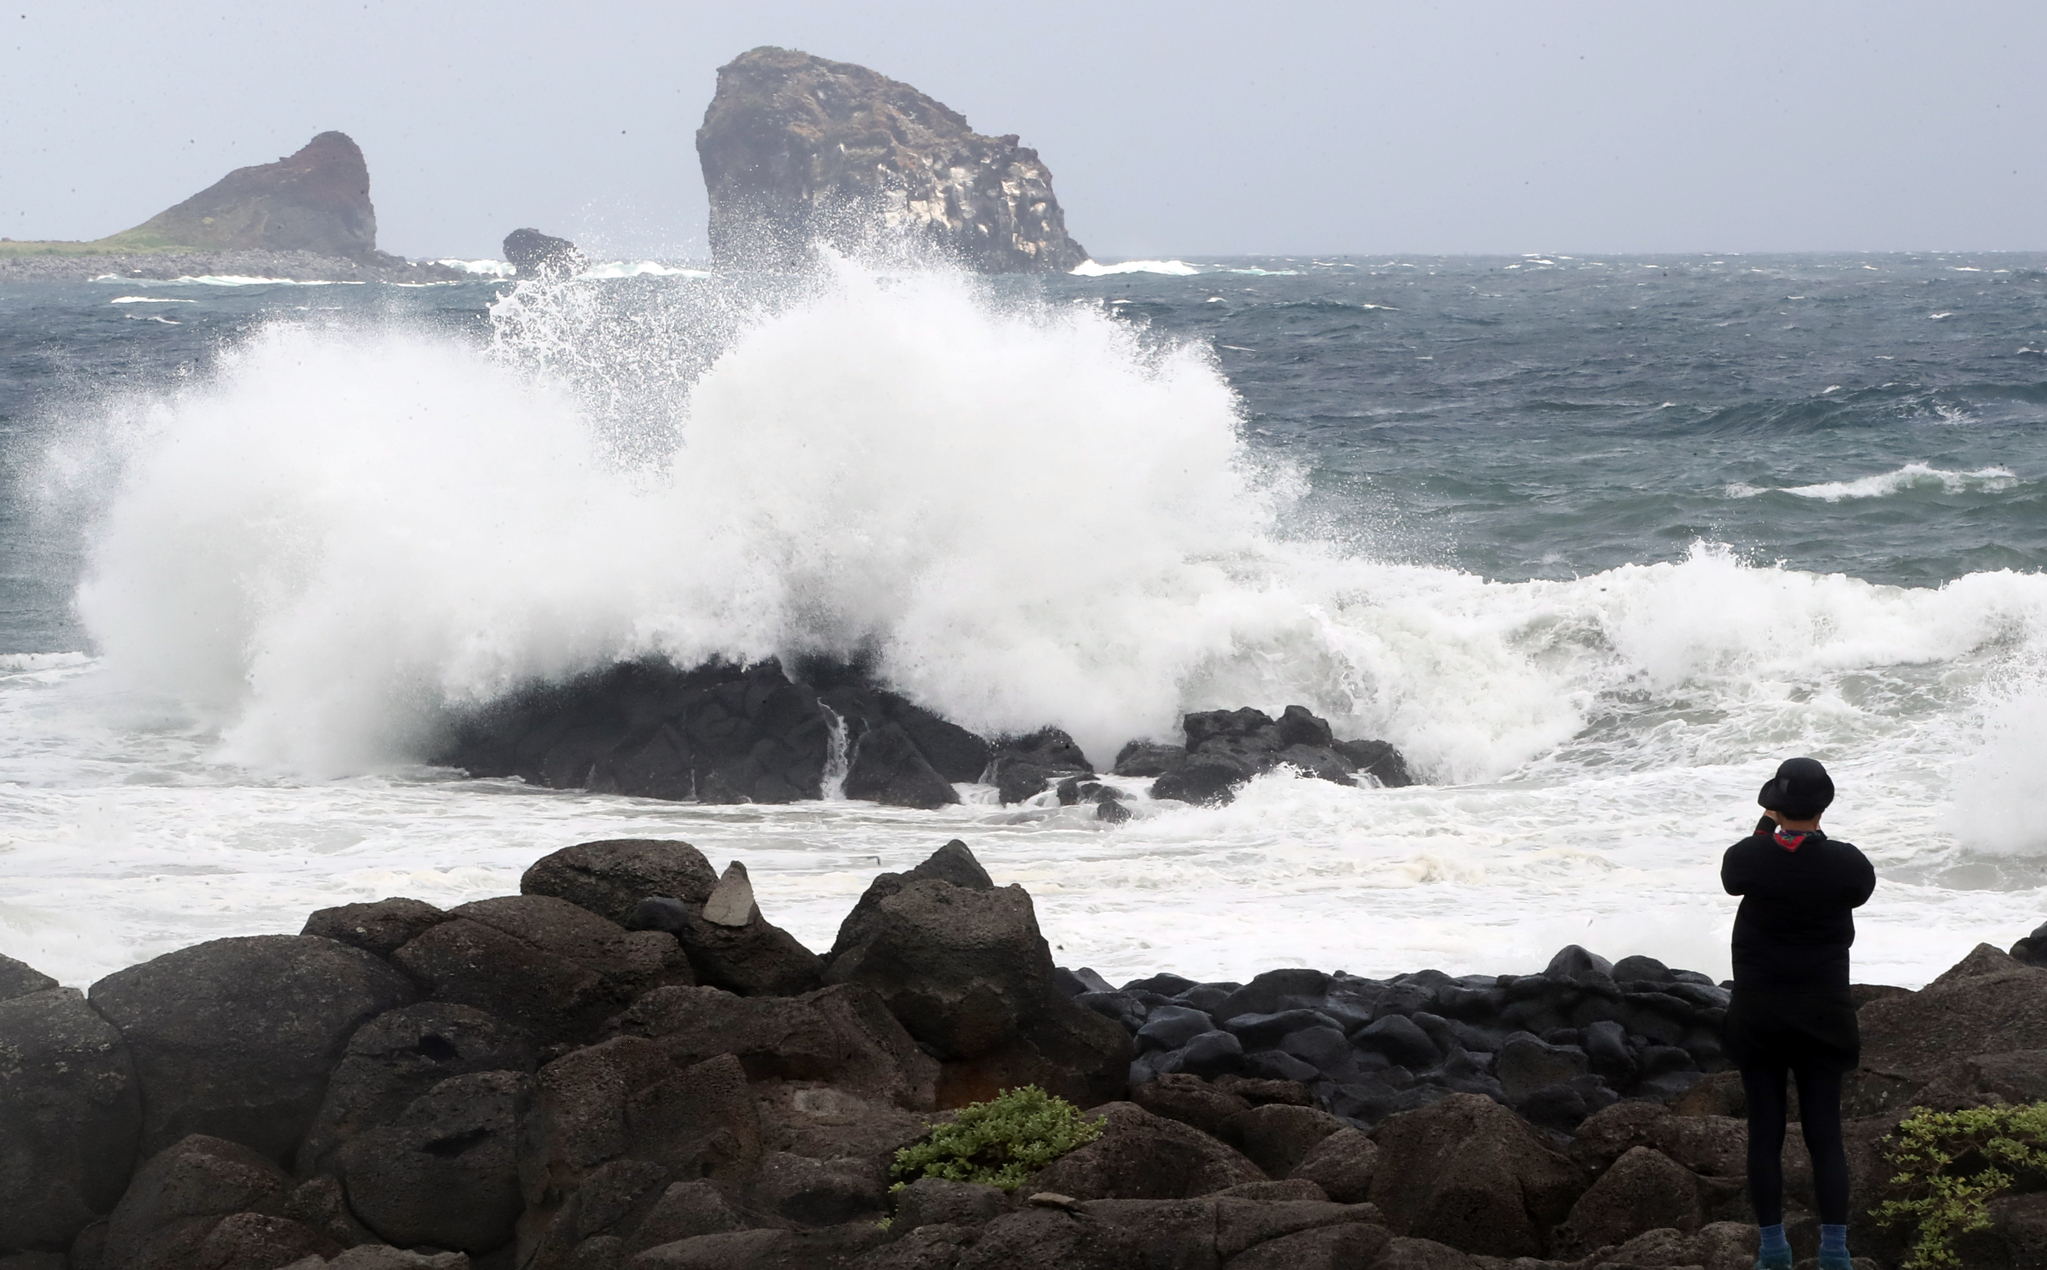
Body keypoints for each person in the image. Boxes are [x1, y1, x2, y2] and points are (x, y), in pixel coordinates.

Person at [1721, 756, 1875, 1270]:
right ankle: (1835, 1253)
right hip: (1823, 1016)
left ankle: (1773, 1252)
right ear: (1825, 803)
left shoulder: (1748, 858)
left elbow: (1741, 868)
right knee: (1824, 1135)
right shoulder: (1848, 865)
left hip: (1759, 1015)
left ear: (1775, 806)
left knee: (1765, 1134)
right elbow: (1854, 886)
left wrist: (1770, 821)